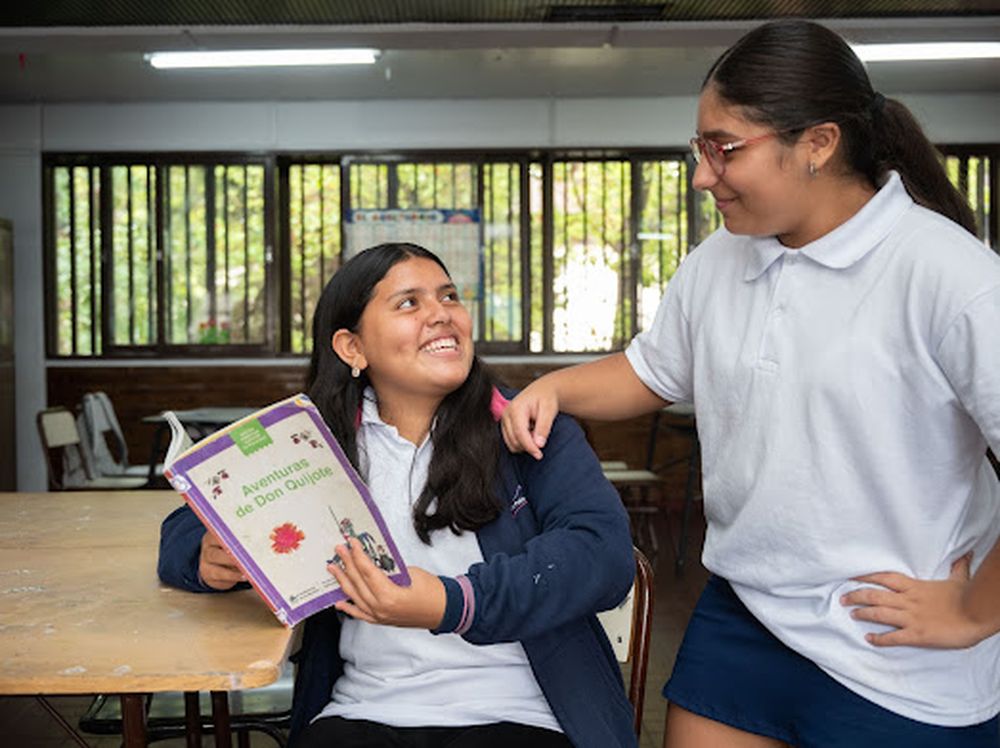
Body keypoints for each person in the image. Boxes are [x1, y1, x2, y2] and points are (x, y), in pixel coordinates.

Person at [501, 18, 1000, 748]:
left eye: (724, 149)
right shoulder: (720, 260)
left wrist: (976, 611)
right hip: (748, 610)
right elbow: (651, 371)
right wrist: (555, 388)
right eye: (699, 149)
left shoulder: (947, 274)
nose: (703, 175)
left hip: (891, 643)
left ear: (819, 144)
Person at [158, 242, 638, 748]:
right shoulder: (312, 440)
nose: (441, 315)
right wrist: (205, 555)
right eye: (409, 303)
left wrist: (454, 603)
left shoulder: (526, 429)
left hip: (524, 714)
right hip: (362, 709)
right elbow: (187, 523)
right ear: (352, 348)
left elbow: (602, 555)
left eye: (449, 297)